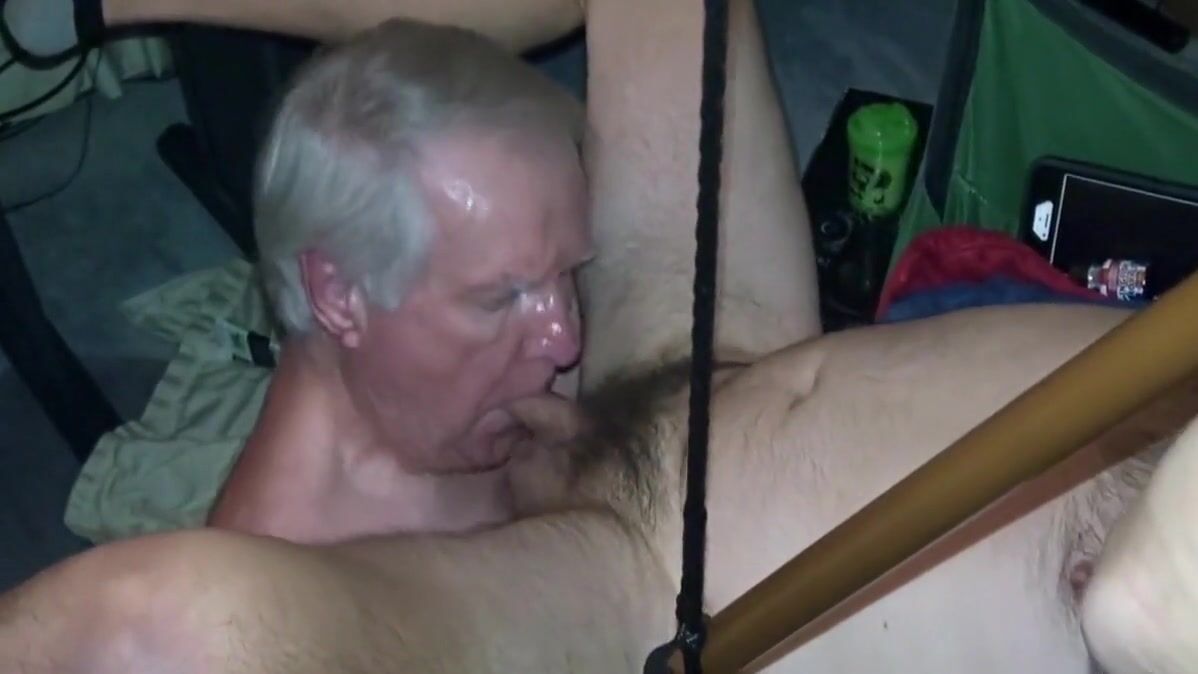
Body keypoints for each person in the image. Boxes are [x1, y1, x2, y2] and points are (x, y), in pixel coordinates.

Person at [0, 1, 1193, 673]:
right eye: (502, 298)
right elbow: (134, 634)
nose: (563, 328)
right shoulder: (296, 550)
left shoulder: (556, 354)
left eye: (564, 274)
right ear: (340, 295)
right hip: (634, 575)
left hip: (694, 373)